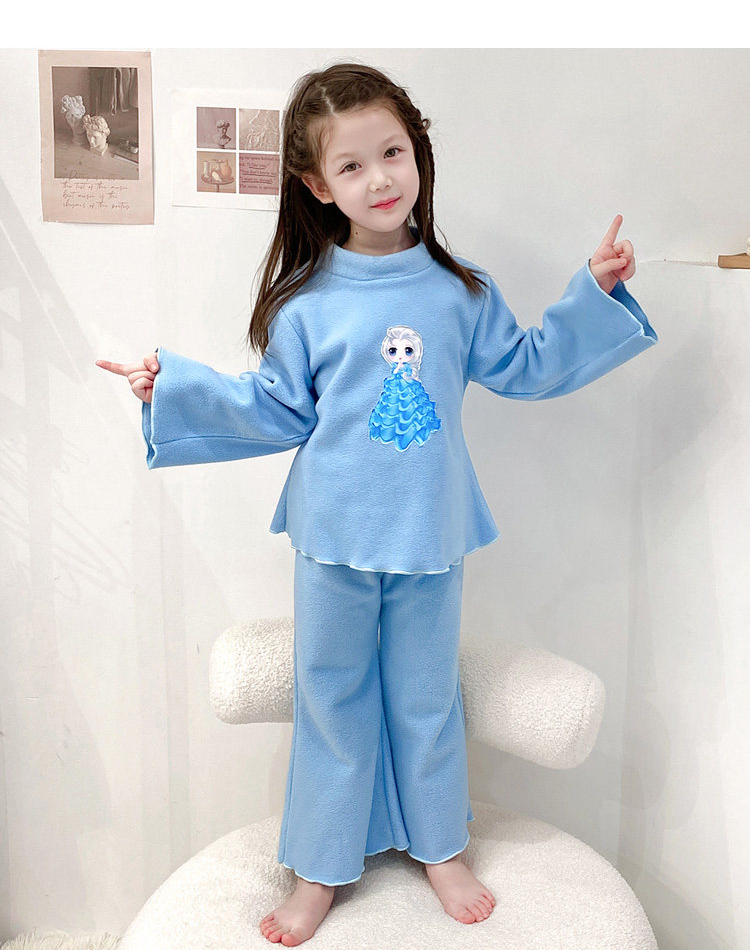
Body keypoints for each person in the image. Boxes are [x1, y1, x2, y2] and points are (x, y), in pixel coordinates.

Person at [96, 62, 657, 946]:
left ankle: (440, 845)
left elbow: (528, 365)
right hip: (331, 536)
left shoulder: (460, 291)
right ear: (319, 186)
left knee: (427, 697)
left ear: (418, 154)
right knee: (331, 696)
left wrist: (595, 290)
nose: (380, 178)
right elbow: (274, 409)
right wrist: (173, 389)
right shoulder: (306, 305)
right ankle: (320, 865)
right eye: (352, 166)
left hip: (432, 531)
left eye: (392, 153)